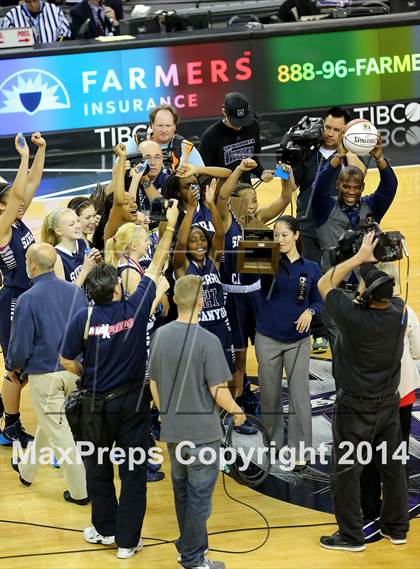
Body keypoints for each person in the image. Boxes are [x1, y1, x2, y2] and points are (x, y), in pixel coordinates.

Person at [60, 200, 179, 559]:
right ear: (115, 289)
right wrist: (169, 224)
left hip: (95, 404)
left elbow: (66, 360)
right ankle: (127, 542)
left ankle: (104, 529)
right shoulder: (134, 307)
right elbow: (157, 265)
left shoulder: (83, 316)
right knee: (132, 475)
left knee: (97, 470)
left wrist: (89, 372)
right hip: (132, 404)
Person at [318, 233, 409, 551]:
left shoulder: (354, 317)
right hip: (388, 405)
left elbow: (324, 284)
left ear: (366, 296)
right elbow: (381, 289)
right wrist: (370, 264)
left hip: (355, 407)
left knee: (345, 471)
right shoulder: (399, 311)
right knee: (393, 467)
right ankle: (397, 528)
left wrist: (358, 258)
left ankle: (351, 536)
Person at [148, 274, 246, 569]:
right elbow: (219, 392)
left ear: (176, 300)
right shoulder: (208, 341)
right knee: (200, 500)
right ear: (202, 303)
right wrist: (238, 412)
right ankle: (192, 558)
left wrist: (165, 412)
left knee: (182, 493)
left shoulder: (161, 335)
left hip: (174, 432)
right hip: (203, 434)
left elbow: (153, 382)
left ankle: (191, 550)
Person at [6, 243, 89, 504]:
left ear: (31, 266)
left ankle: (81, 492)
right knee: (49, 423)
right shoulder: (75, 292)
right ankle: (27, 471)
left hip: (45, 376)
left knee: (61, 435)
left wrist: (14, 368)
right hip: (75, 372)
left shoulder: (27, 299)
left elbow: (20, 346)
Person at [290, 106, 367, 354]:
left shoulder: (354, 151)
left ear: (345, 130)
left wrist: (344, 150)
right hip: (309, 225)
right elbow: (290, 185)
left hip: (340, 229)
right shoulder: (307, 150)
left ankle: (348, 325)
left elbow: (361, 172)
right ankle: (319, 331)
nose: (330, 133)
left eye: (337, 129)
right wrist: (284, 164)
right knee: (314, 279)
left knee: (343, 278)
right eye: (328, 127)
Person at [216, 158, 294, 398]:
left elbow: (284, 199)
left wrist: (286, 176)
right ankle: (239, 397)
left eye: (255, 200)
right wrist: (239, 169)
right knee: (238, 355)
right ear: (234, 202)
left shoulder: (258, 219)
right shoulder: (226, 219)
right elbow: (221, 196)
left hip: (257, 294)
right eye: (247, 201)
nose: (252, 205)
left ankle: (266, 396)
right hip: (231, 296)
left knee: (264, 348)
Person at [312, 134, 398, 348]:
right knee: (340, 347)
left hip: (365, 288)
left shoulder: (371, 207)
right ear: (338, 185)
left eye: (355, 188)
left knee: (367, 345)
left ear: (361, 188)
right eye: (346, 187)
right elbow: (320, 185)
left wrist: (379, 158)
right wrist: (339, 156)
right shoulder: (324, 208)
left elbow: (390, 187)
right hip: (335, 290)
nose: (351, 192)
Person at [255, 216, 323, 469]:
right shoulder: (267, 262)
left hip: (298, 342)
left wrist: (311, 312)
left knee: (299, 397)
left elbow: (319, 299)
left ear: (296, 235)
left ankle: (301, 451)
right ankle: (272, 445)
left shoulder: (312, 268)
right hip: (268, 338)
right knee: (270, 395)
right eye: (275, 235)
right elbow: (248, 266)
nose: (279, 240)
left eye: (284, 234)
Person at [360, 261, 420, 520]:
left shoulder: (359, 313)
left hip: (370, 395)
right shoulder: (406, 311)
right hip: (402, 394)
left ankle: (370, 507)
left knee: (369, 455)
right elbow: (418, 350)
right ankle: (397, 510)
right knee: (397, 454)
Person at [0, 132, 45, 447]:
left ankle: (7, 416)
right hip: (13, 300)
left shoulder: (16, 219)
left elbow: (31, 186)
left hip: (30, 298)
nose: (18, 201)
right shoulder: (1, 227)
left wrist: (40, 150)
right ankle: (11, 426)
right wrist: (23, 157)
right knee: (17, 367)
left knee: (29, 365)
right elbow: (18, 195)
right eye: (8, 200)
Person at [172, 178, 236, 376]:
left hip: (220, 325)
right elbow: (181, 244)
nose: (199, 243)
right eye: (194, 240)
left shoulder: (213, 262)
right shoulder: (182, 266)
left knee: (225, 375)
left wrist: (210, 205)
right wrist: (191, 209)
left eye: (201, 239)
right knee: (200, 376)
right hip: (196, 327)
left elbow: (219, 234)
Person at [199, 92, 274, 185]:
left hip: (246, 190)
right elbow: (203, 170)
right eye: (235, 121)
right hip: (221, 190)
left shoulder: (252, 125)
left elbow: (253, 157)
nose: (239, 125)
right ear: (224, 111)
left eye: (243, 121)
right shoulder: (210, 136)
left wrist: (261, 173)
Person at [41, 207, 101, 287]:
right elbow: (65, 294)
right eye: (72, 224)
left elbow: (93, 277)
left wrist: (97, 262)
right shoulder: (57, 257)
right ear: (59, 231)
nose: (78, 226)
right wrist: (84, 270)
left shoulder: (82, 242)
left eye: (78, 221)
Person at [0, 0, 71, 42]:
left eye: (35, 0)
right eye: (28, 2)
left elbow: (65, 34)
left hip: (52, 55)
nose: (32, 5)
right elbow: (4, 39)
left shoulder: (54, 10)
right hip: (24, 57)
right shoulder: (12, 14)